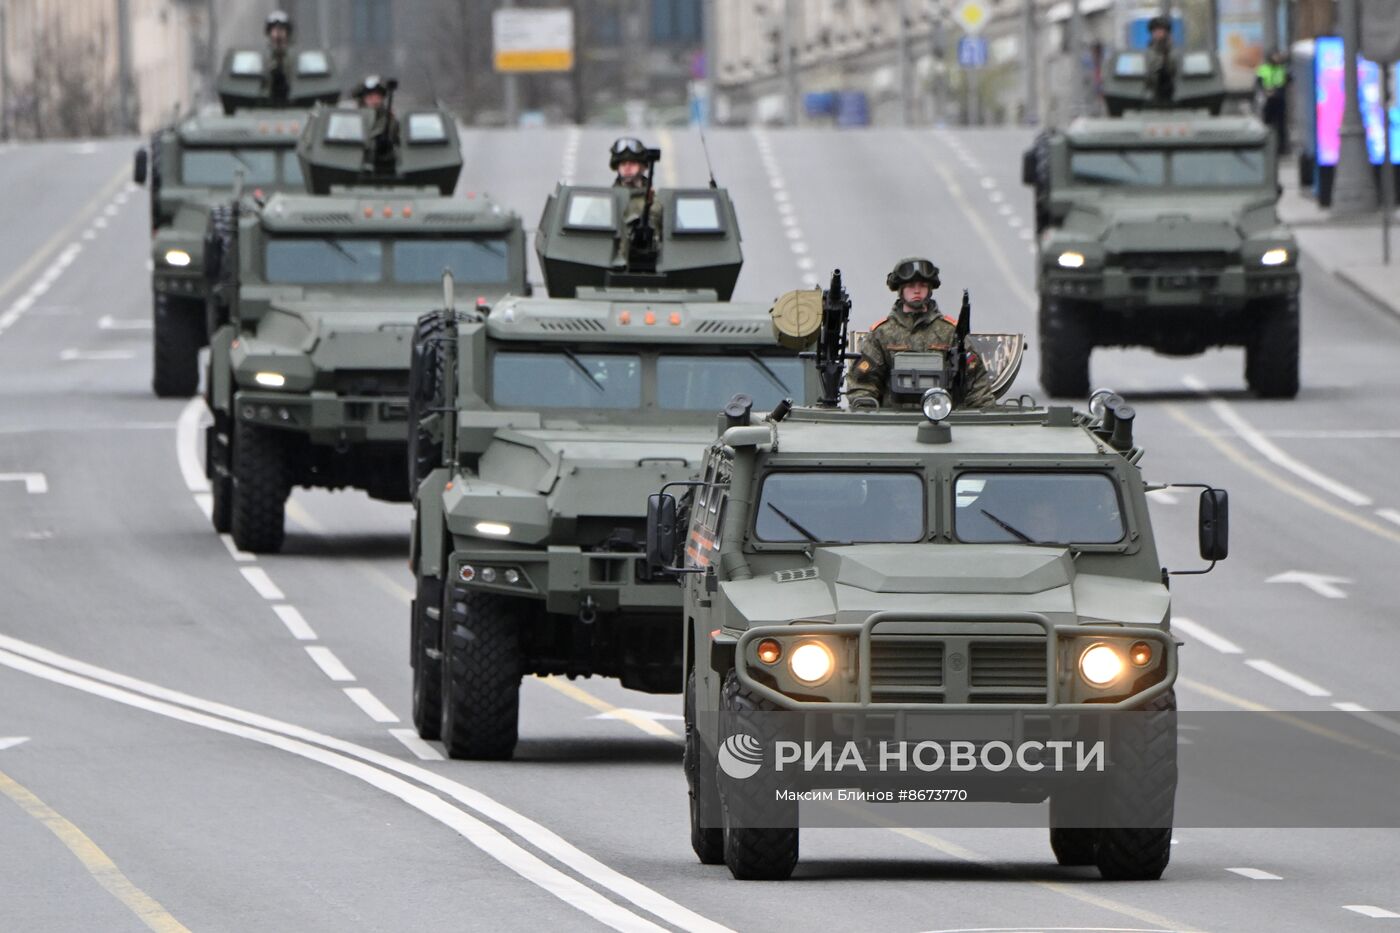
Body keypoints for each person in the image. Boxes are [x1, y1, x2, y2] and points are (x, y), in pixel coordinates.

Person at [846, 258, 995, 410]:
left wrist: (983, 419)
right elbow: (863, 384)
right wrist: (867, 415)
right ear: (901, 290)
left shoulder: (950, 333)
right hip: (892, 423)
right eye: (910, 286)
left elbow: (976, 383)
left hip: (943, 421)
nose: (917, 291)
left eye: (923, 286)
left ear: (930, 289)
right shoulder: (882, 334)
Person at [609, 137, 664, 266]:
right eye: (623, 164)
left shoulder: (657, 204)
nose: (627, 168)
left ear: (643, 167)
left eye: (632, 164)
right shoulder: (607, 202)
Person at [353, 75, 401, 173]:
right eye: (370, 97)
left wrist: (387, 141)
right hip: (355, 162)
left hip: (383, 166)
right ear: (363, 99)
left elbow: (398, 140)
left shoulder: (390, 119)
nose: (374, 101)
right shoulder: (352, 117)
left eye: (378, 97)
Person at [1255, 49, 1291, 154]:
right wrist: (1266, 91)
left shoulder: (1282, 69)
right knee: (1267, 124)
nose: (1277, 58)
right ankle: (1267, 146)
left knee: (1281, 125)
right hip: (1268, 100)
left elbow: (1288, 81)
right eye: (1275, 56)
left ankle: (1282, 148)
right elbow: (1259, 82)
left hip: (1280, 99)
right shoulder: (1263, 69)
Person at [1145, 15, 1176, 105]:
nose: (1158, 33)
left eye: (1161, 30)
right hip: (1152, 91)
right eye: (1155, 30)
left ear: (1166, 32)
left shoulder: (1173, 51)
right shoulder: (1148, 52)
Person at [265, 10, 293, 104]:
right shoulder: (263, 58)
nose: (278, 33)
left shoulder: (293, 58)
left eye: (281, 29)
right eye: (274, 29)